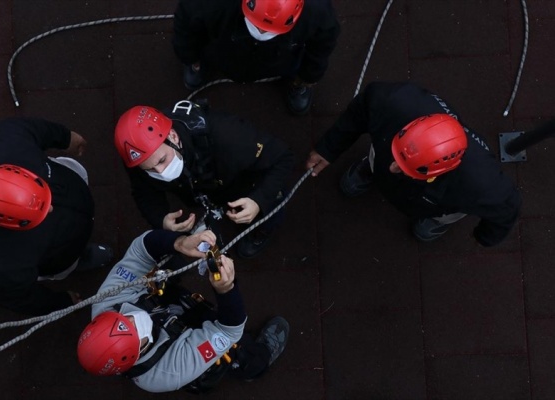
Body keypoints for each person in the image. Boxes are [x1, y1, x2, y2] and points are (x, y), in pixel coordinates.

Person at [305, 81, 522, 246]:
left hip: (441, 200)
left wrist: (485, 237)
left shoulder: (481, 185)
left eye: (407, 167)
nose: (392, 167)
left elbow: (507, 209)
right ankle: (370, 168)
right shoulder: (391, 102)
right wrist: (329, 148)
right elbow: (359, 112)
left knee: (448, 211)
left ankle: (436, 220)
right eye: (398, 156)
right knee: (379, 160)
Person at [77, 228, 289, 393]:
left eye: (122, 318)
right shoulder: (169, 371)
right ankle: (253, 364)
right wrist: (226, 290)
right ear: (135, 354)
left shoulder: (107, 301)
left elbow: (141, 250)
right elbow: (229, 330)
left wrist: (179, 243)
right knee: (235, 351)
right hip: (180, 345)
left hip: (167, 310)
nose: (131, 318)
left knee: (165, 275)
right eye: (132, 328)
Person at [0, 117, 114, 316]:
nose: (51, 209)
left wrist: (66, 138)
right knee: (64, 266)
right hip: (59, 254)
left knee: (73, 171)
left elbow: (32, 128)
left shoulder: (2, 139)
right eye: (35, 214)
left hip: (66, 185)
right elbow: (21, 299)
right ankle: (79, 258)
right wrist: (59, 302)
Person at [114, 100, 295, 258]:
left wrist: (259, 200)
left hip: (246, 182)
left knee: (271, 207)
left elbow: (283, 158)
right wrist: (160, 219)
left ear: (173, 136)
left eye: (162, 160)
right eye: (150, 169)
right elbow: (143, 191)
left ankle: (260, 232)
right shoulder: (139, 157)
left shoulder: (230, 138)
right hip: (207, 186)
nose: (161, 172)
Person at [172, 0, 340, 115]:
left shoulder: (317, 12)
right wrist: (190, 57)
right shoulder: (209, 4)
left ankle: (297, 84)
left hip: (284, 55)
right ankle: (200, 65)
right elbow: (185, 24)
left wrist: (308, 76)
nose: (261, 33)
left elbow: (322, 44)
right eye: (258, 26)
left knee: (296, 64)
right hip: (222, 48)